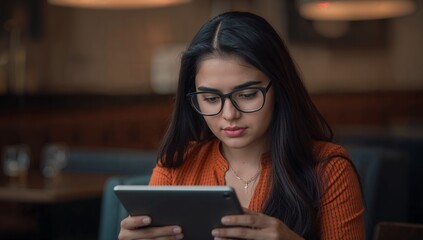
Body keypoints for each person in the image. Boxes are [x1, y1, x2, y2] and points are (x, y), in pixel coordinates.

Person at [119, 11, 364, 240]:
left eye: (247, 95)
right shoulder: (176, 166)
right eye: (211, 99)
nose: (229, 114)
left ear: (279, 89)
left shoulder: (328, 169)